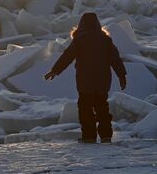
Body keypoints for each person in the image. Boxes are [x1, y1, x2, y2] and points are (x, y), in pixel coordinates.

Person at [44, 12, 127, 143]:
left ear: (81, 24)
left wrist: (55, 70)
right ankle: (106, 136)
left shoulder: (79, 40)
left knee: (85, 108)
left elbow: (67, 56)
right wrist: (122, 75)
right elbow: (115, 59)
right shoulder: (105, 40)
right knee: (102, 108)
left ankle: (89, 136)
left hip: (85, 81)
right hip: (102, 80)